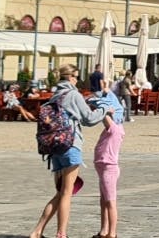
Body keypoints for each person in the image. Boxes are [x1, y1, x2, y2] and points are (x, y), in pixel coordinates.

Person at [28, 64, 107, 238]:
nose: (77, 80)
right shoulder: (73, 94)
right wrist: (104, 110)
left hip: (54, 147)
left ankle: (37, 231)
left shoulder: (55, 95)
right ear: (70, 77)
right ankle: (61, 234)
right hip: (70, 144)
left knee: (60, 192)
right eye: (76, 77)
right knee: (66, 193)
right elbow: (89, 119)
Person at [88, 71, 125, 238]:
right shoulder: (110, 130)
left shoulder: (114, 129)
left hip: (109, 167)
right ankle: (104, 230)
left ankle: (112, 233)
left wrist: (103, 106)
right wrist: (105, 91)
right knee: (103, 200)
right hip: (103, 167)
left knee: (110, 202)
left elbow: (104, 113)